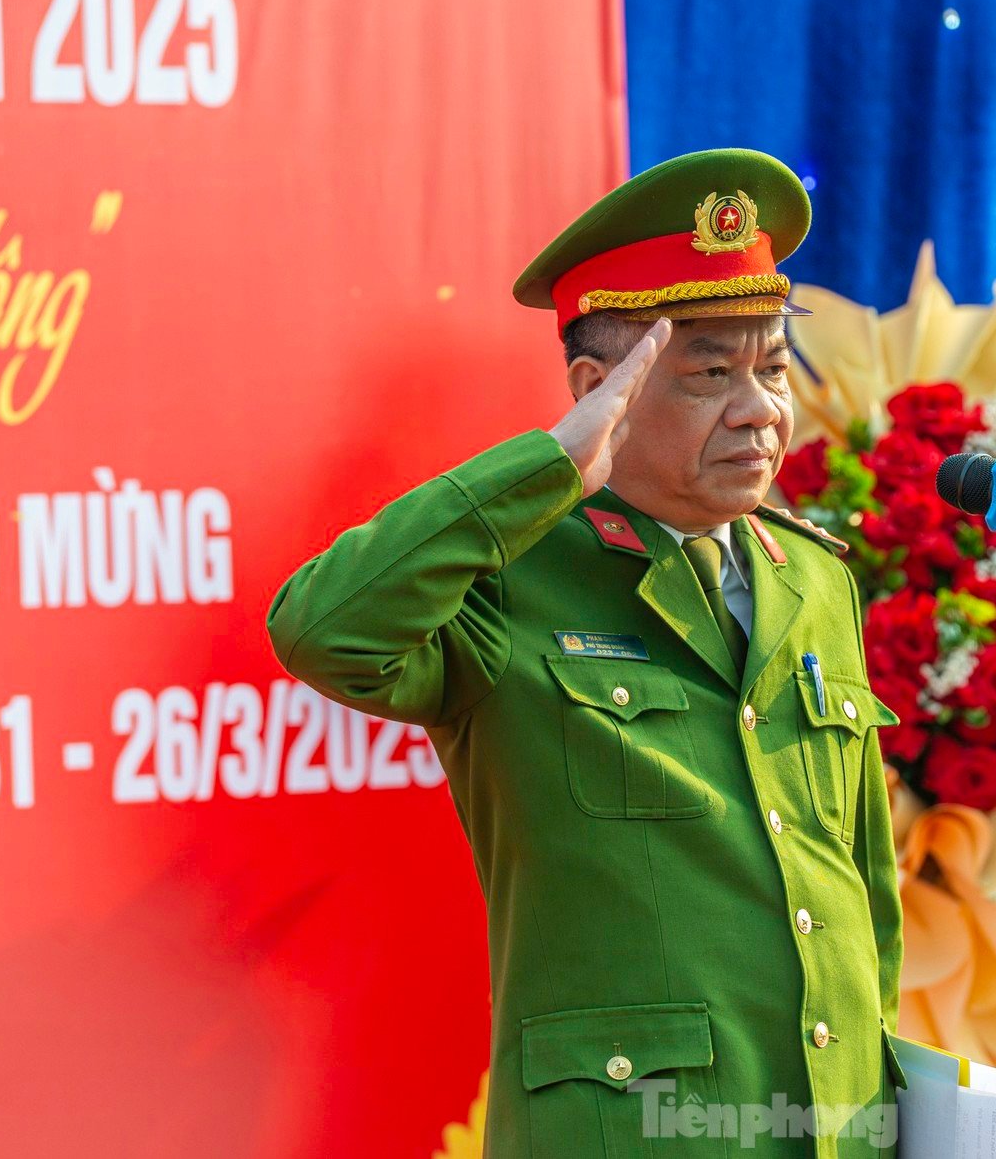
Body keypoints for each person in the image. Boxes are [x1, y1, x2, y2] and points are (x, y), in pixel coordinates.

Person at [266, 148, 907, 1157]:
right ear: (595, 387)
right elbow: (321, 629)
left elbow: (860, 882)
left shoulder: (813, 580)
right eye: (708, 375)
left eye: (772, 367)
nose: (760, 410)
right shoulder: (510, 575)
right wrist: (549, 466)